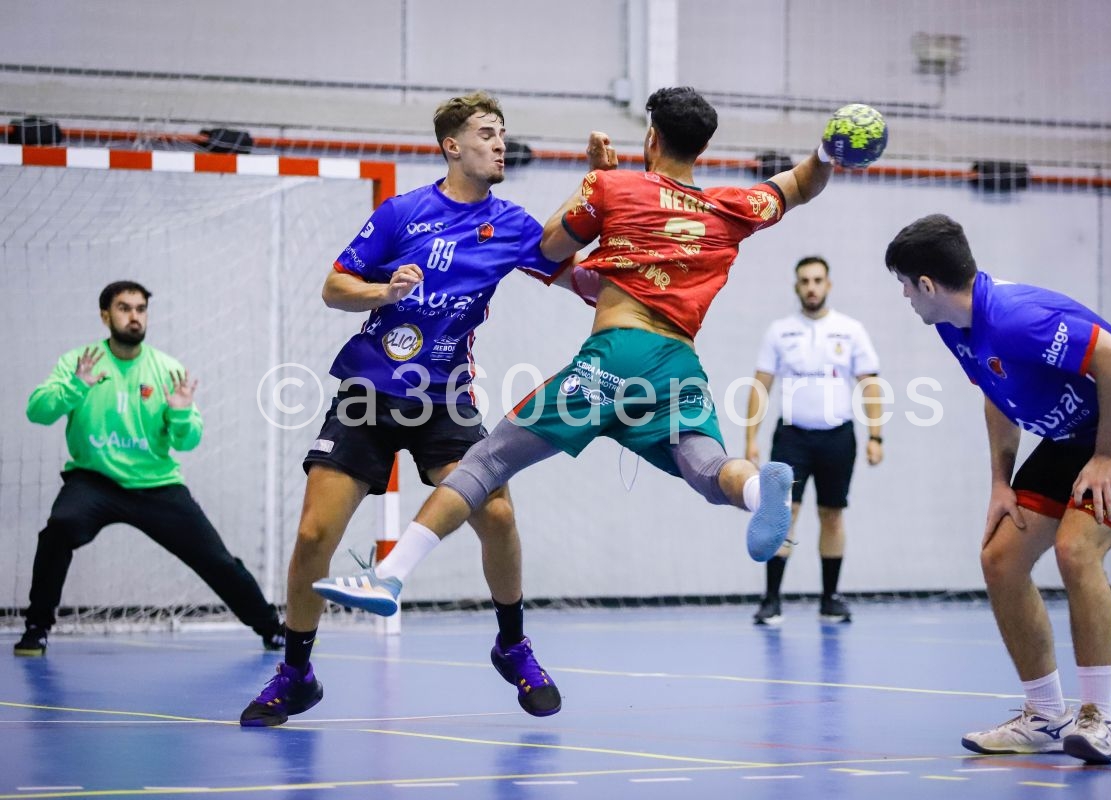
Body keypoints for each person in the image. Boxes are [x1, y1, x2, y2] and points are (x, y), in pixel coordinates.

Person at [313, 88, 870, 653]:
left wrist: (593, 181)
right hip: (678, 363)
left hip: (615, 355)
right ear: (703, 147)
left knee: (487, 460)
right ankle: (756, 491)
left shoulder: (616, 186)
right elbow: (801, 184)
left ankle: (391, 574)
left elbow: (551, 249)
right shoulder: (732, 207)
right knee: (704, 464)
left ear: (651, 138)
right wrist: (826, 152)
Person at [240, 91, 601, 727]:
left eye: (503, 133)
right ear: (452, 146)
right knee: (313, 535)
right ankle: (295, 672)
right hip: (368, 393)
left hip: (446, 398)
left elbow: (569, 265)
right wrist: (384, 288)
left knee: (496, 512)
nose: (499, 143)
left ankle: (512, 644)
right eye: (487, 133)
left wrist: (605, 201)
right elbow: (334, 287)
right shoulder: (402, 213)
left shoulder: (512, 223)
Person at [884, 214, 1111, 765]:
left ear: (927, 285)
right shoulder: (955, 324)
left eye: (903, 283)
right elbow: (996, 390)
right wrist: (1001, 481)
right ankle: (1045, 716)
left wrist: (1108, 456)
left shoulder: (1016, 319)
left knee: (1075, 549)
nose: (903, 294)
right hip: (1073, 435)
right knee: (1000, 558)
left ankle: (1098, 721)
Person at [14, 281, 285, 657]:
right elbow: (37, 411)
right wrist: (75, 387)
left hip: (157, 484)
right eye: (125, 308)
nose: (134, 316)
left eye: (141, 309)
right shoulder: (82, 363)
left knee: (215, 559)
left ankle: (273, 629)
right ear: (105, 315)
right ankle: (36, 629)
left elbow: (188, 441)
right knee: (58, 530)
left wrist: (180, 411)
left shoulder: (166, 369)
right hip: (94, 481)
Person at [744, 256, 883, 626]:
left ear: (828, 285)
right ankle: (771, 600)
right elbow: (761, 386)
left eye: (818, 280)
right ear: (796, 286)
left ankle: (830, 599)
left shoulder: (850, 330)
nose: (811, 287)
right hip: (792, 437)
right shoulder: (779, 331)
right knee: (783, 514)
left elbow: (869, 383)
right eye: (804, 280)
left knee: (832, 515)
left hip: (838, 437)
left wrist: (876, 435)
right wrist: (750, 440)